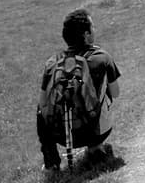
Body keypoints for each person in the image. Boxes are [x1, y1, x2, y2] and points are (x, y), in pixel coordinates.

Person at [37, 9, 121, 171]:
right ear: (86, 34)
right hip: (96, 132)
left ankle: (51, 161)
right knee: (106, 90)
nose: (94, 30)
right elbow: (116, 93)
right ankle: (95, 148)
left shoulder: (52, 63)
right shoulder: (102, 57)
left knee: (41, 107)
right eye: (93, 27)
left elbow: (42, 103)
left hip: (61, 136)